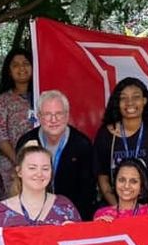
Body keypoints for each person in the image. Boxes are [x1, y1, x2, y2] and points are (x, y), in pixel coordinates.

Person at [15, 89, 96, 220]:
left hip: (71, 219)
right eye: (48, 114)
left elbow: (87, 193)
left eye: (59, 114)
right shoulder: (26, 142)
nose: (54, 120)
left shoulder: (82, 144)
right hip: (32, 218)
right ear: (39, 117)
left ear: (67, 115)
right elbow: (19, 185)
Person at [94, 77, 148, 208]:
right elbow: (103, 180)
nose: (130, 102)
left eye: (136, 97)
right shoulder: (105, 135)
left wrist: (147, 211)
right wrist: (119, 210)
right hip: (114, 211)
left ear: (144, 101)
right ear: (117, 103)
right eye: (124, 98)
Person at [0, 48, 37, 198]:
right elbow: (0, 137)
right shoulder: (3, 101)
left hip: (42, 168)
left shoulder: (43, 95)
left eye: (25, 63)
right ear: (9, 71)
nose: (21, 68)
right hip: (13, 168)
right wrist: (20, 163)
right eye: (15, 65)